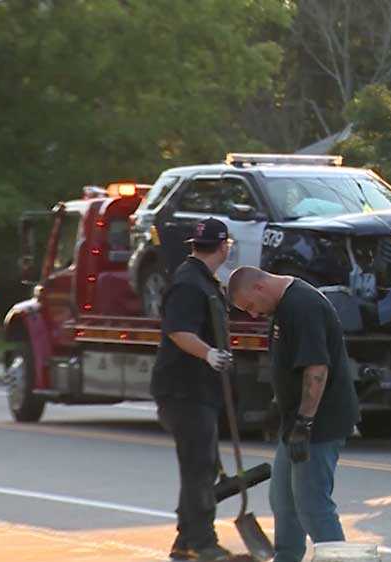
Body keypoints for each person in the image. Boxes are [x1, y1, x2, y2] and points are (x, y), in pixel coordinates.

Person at [227, 265, 359, 562]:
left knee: (313, 505)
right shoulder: (283, 308)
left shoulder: (303, 306)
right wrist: (279, 404)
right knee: (283, 500)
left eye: (249, 306)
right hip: (297, 420)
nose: (252, 314)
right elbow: (291, 366)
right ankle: (287, 557)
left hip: (319, 423)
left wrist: (305, 421)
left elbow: (316, 369)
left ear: (258, 287)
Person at [150, 218, 235, 561]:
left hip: (198, 389)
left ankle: (186, 541)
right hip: (183, 390)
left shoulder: (202, 280)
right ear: (225, 246)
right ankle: (201, 542)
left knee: (200, 466)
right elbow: (178, 330)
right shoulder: (189, 283)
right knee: (199, 467)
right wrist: (209, 353)